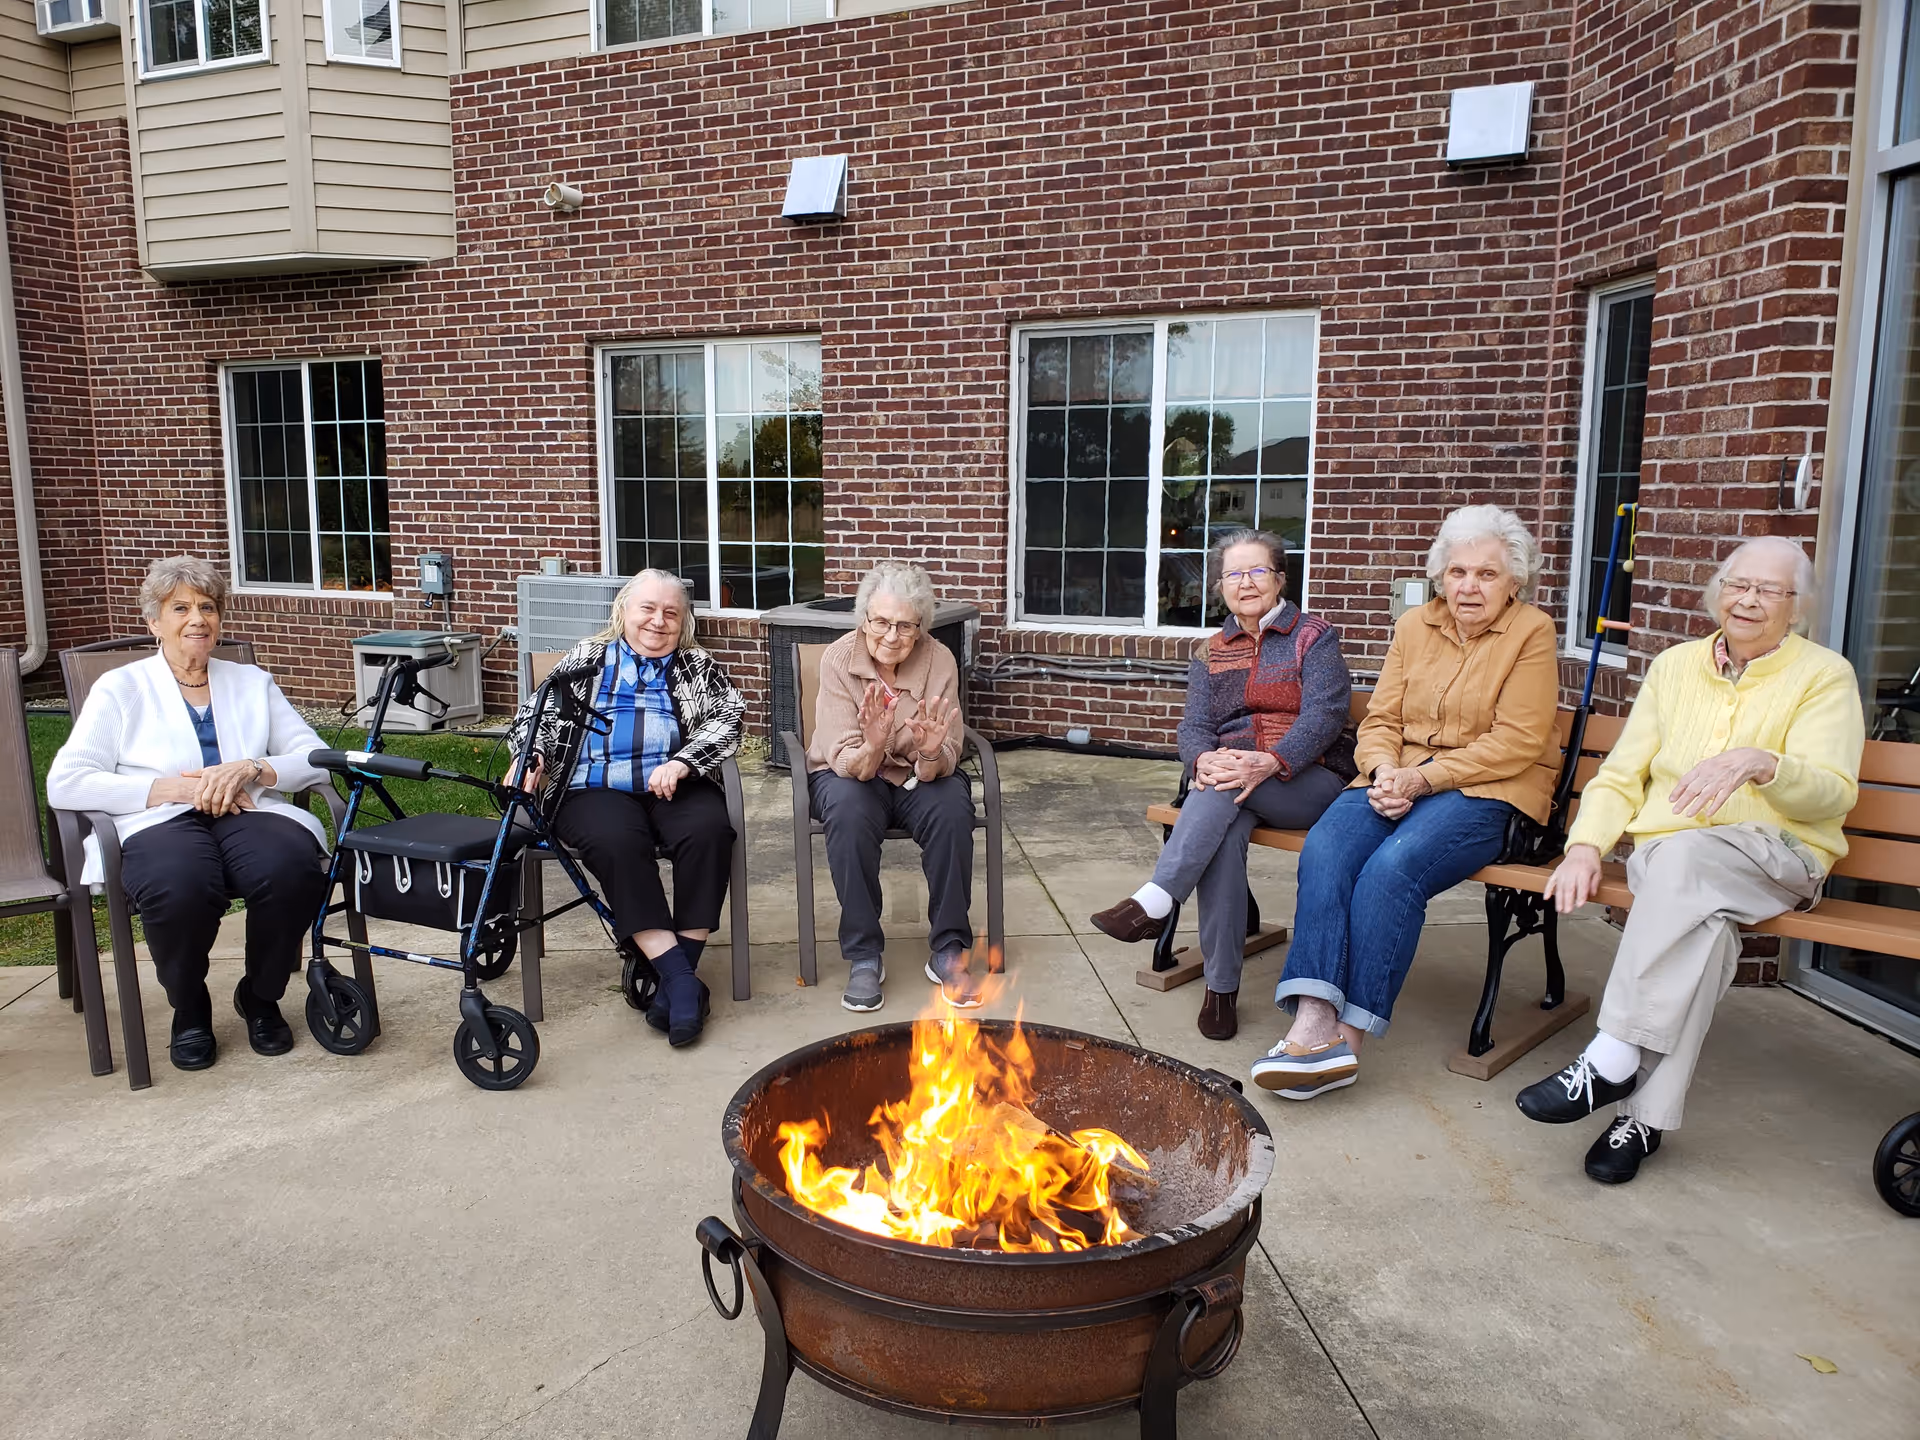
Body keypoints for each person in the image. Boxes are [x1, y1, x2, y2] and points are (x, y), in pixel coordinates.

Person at [1515, 536, 1864, 1183]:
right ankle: (1642, 1118)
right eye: (1737, 584)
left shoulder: (1823, 675)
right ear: (1718, 592)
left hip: (1778, 857)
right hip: (1674, 860)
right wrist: (1587, 845)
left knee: (1684, 867)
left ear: (1799, 606)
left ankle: (1611, 1051)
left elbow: (1833, 792)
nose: (1748, 600)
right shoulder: (1675, 667)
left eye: (1768, 590)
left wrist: (1765, 764)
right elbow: (1621, 775)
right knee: (1702, 926)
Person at [1250, 504, 1561, 1098]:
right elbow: (1382, 716)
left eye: (1487, 575)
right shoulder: (1416, 624)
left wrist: (1424, 780)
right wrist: (1385, 770)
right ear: (1440, 576)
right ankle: (1312, 1016)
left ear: (1515, 581)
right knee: (1329, 849)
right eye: (1458, 572)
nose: (1469, 586)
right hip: (1399, 774)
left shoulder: (1531, 631)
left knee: (1393, 870)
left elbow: (1517, 741)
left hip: (1490, 789)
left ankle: (1346, 1039)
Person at [46, 556, 332, 1072]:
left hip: (247, 810)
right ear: (154, 621)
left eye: (207, 606)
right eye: (180, 608)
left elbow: (313, 758)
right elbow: (67, 781)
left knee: (290, 867)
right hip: (157, 819)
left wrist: (253, 768)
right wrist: (169, 789)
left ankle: (261, 997)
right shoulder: (121, 688)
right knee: (178, 884)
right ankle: (190, 1007)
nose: (197, 618)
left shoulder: (251, 681)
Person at [1089, 528, 1356, 1041]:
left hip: (1308, 780)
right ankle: (1221, 989)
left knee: (1214, 795)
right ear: (1220, 586)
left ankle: (1156, 900)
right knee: (1224, 828)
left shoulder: (1313, 636)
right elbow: (1192, 727)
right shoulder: (1210, 650)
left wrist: (1270, 760)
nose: (1246, 583)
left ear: (1280, 579)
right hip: (1236, 786)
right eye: (1234, 574)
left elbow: (1326, 715)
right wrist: (1202, 759)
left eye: (1258, 571)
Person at [508, 569, 743, 1048]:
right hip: (593, 785)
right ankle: (680, 983)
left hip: (673, 781)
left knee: (709, 831)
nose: (658, 621)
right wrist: (530, 755)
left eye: (671, 613)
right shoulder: (587, 658)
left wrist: (682, 761)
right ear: (623, 612)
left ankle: (677, 975)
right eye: (647, 609)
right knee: (617, 840)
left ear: (684, 622)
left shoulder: (697, 665)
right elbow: (535, 715)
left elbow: (730, 717)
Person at [807, 560, 975, 1014]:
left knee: (952, 809)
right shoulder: (839, 659)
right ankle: (864, 954)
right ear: (864, 619)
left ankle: (949, 949)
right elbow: (845, 759)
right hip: (851, 773)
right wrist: (875, 745)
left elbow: (945, 754)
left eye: (905, 625)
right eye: (881, 621)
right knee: (847, 811)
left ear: (920, 626)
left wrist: (927, 752)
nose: (891, 635)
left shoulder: (939, 659)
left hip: (919, 774)